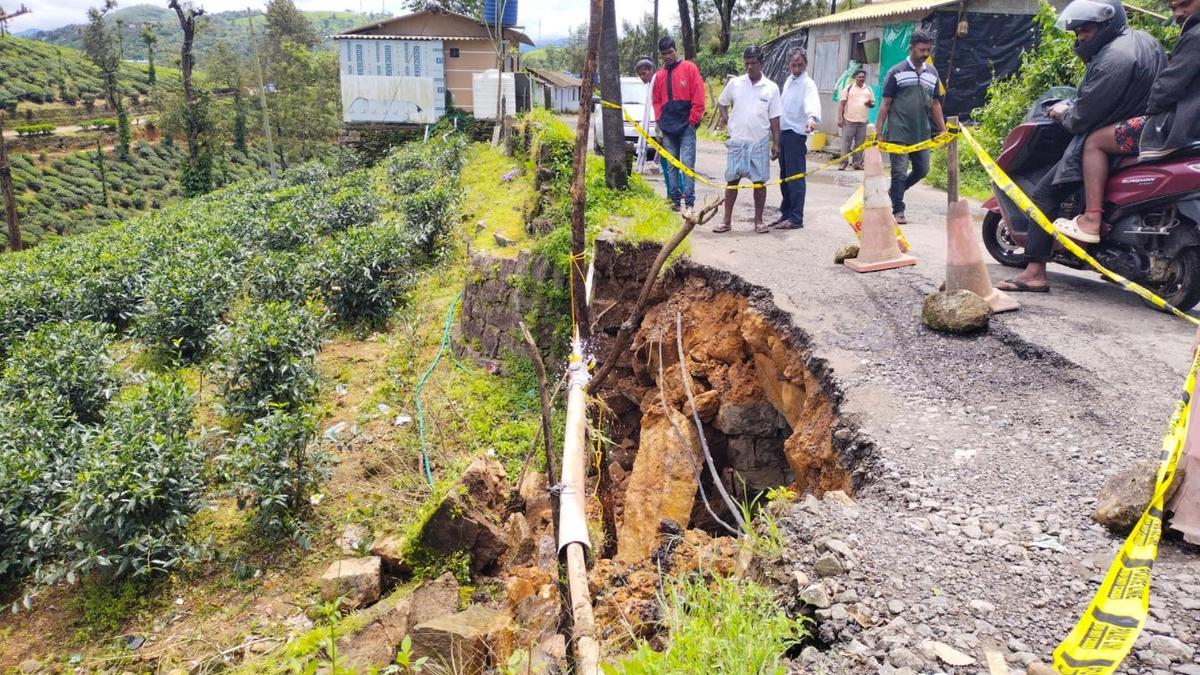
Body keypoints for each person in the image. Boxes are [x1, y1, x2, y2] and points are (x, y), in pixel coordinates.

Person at [996, 0, 1165, 293]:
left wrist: (1063, 112)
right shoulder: (1143, 40)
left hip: (1112, 135)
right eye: (1077, 32)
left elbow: (1082, 117)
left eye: (1085, 30)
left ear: (1105, 24)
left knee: (1044, 194)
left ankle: (1034, 271)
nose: (1080, 37)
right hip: (1147, 130)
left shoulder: (1112, 60)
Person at [1056, 0, 1199, 243]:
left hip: (1178, 126)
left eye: (1184, 5)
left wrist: (1152, 110)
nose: (1178, 13)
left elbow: (1167, 87)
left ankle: (1091, 219)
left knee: (1095, 142)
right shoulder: (1147, 42)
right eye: (1173, 7)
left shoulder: (1195, 37)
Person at [875, 31, 946, 225]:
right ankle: (898, 209)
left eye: (928, 50)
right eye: (922, 49)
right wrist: (879, 132)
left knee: (923, 169)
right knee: (898, 171)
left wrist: (943, 129)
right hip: (898, 131)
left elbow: (935, 104)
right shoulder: (896, 72)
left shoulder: (932, 73)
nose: (925, 53)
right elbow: (885, 104)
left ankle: (894, 193)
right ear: (911, 48)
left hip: (921, 132)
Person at [715, 45, 782, 234]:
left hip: (759, 142)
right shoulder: (735, 83)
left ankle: (758, 221)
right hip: (737, 142)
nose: (750, 67)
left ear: (762, 63)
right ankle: (726, 221)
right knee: (732, 181)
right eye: (747, 63)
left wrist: (776, 144)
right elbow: (722, 103)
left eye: (754, 63)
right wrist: (727, 120)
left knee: (759, 183)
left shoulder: (771, 88)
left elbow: (775, 118)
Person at [651, 36, 706, 214]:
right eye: (664, 54)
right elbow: (656, 101)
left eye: (670, 52)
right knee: (671, 166)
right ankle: (675, 200)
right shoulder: (659, 76)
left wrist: (693, 120)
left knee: (688, 165)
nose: (668, 56)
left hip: (686, 126)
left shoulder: (689, 68)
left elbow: (698, 95)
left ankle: (689, 203)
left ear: (676, 50)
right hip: (668, 128)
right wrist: (660, 120)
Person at [772, 47, 821, 230]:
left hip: (796, 134)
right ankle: (786, 214)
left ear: (805, 64)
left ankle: (796, 217)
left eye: (800, 65)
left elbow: (812, 103)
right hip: (784, 133)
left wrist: (811, 118)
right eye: (794, 65)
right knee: (784, 177)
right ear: (788, 65)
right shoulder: (789, 81)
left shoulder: (808, 84)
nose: (797, 68)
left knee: (795, 178)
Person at [635, 58, 673, 195]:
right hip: (663, 126)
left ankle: (675, 191)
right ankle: (673, 192)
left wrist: (660, 133)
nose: (642, 78)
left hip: (666, 127)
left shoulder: (659, 82)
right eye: (639, 75)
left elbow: (661, 108)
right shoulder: (653, 83)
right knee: (666, 162)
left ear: (651, 70)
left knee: (668, 162)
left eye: (644, 74)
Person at [837, 68, 875, 171]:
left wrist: (870, 104)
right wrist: (840, 118)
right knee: (846, 143)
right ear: (855, 78)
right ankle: (843, 163)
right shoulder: (848, 88)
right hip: (849, 120)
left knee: (860, 143)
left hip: (863, 121)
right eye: (859, 77)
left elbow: (873, 104)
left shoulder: (869, 89)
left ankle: (856, 163)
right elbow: (842, 104)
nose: (861, 79)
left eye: (863, 77)